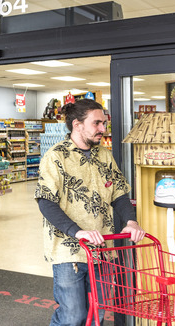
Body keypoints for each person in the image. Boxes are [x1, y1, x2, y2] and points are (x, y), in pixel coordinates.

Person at [35, 99, 145, 326]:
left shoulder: (103, 156)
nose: (103, 129)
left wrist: (131, 221)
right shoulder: (55, 157)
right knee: (73, 316)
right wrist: (77, 232)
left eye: (104, 123)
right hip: (69, 251)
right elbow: (46, 202)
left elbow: (119, 194)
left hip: (103, 249)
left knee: (98, 314)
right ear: (77, 124)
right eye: (97, 123)